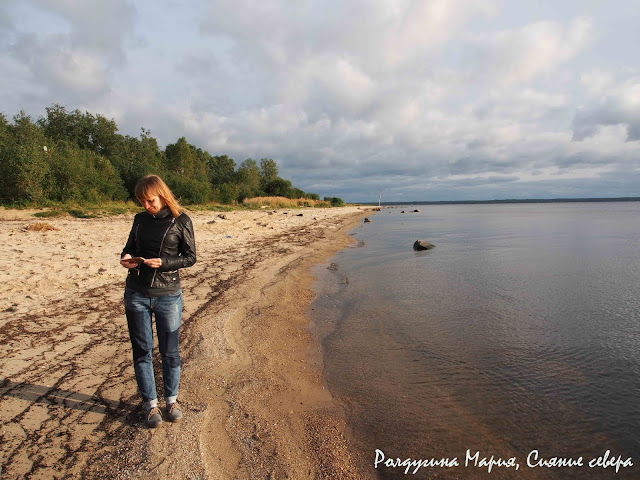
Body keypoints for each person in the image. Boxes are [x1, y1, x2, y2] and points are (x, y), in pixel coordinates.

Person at [120, 174, 196, 428]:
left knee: (170, 352)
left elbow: (190, 257)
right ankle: (150, 406)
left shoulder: (181, 221)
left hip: (168, 295)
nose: (145, 206)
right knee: (142, 352)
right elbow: (129, 246)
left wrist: (164, 263)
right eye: (141, 201)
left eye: (149, 200)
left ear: (162, 196)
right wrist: (128, 257)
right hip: (136, 293)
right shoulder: (140, 220)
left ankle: (171, 401)